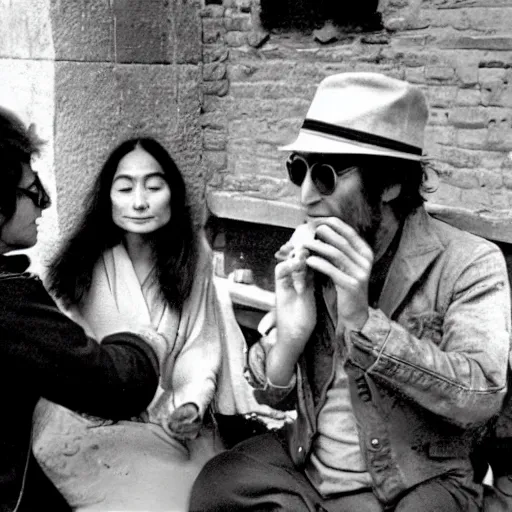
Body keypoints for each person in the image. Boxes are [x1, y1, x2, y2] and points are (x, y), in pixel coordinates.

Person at [189, 72, 512, 512]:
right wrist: (291, 334)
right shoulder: (315, 251)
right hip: (311, 465)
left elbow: (481, 397)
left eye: (325, 176)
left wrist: (363, 323)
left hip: (417, 476)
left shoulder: (469, 262)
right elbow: (270, 395)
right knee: (217, 487)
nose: (304, 196)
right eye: (297, 169)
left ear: (391, 184)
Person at [32, 136, 273, 511]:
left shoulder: (194, 258)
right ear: (107, 197)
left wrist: (190, 404)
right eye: (125, 188)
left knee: (198, 496)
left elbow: (199, 345)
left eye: (154, 186)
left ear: (172, 194)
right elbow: (68, 359)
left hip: (172, 421)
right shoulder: (81, 264)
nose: (140, 202)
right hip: (92, 418)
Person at [0, 108, 165, 512]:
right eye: (32, 190)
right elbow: (113, 384)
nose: (45, 204)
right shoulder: (12, 300)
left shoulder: (188, 262)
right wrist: (145, 340)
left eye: (154, 186)